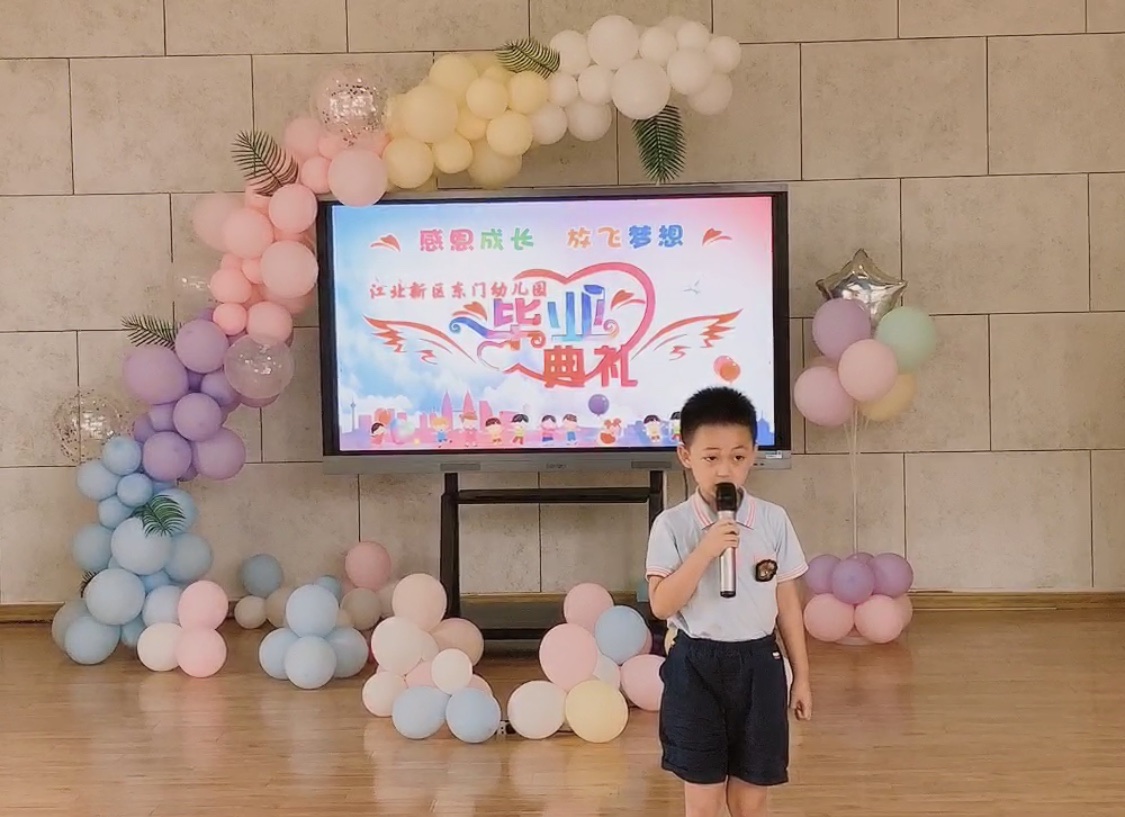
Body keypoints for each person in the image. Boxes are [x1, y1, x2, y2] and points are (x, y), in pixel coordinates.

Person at [646, 386, 811, 817]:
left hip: (760, 664)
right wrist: (705, 550)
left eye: (738, 456)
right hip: (695, 666)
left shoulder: (772, 520)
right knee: (703, 799)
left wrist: (802, 677)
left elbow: (787, 603)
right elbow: (661, 606)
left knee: (750, 799)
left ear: (754, 454)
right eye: (711, 457)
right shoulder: (672, 525)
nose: (725, 469)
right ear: (686, 456)